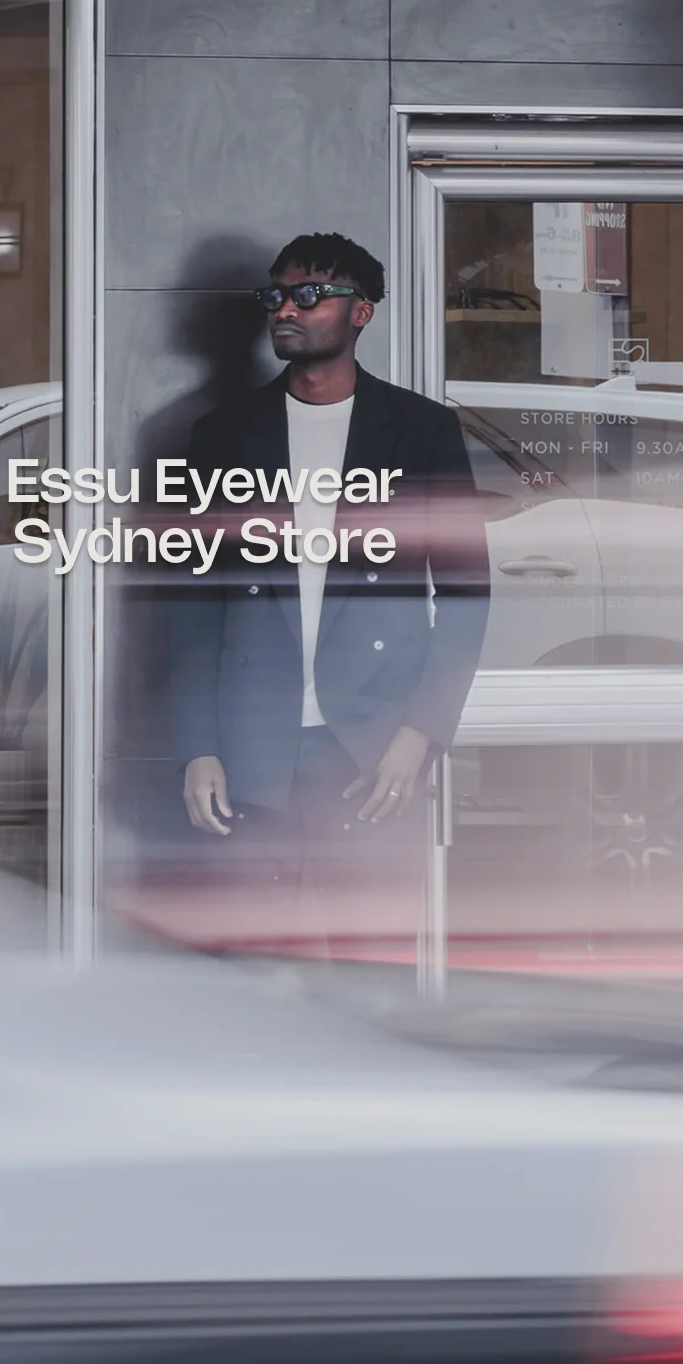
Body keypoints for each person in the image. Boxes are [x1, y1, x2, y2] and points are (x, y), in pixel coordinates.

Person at [168, 232, 490, 952]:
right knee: (253, 983)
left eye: (309, 294)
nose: (286, 308)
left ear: (361, 312)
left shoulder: (420, 432)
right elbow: (190, 603)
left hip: (371, 756)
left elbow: (468, 592)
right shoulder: (222, 435)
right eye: (275, 295)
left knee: (368, 975)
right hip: (252, 753)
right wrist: (198, 748)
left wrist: (418, 736)